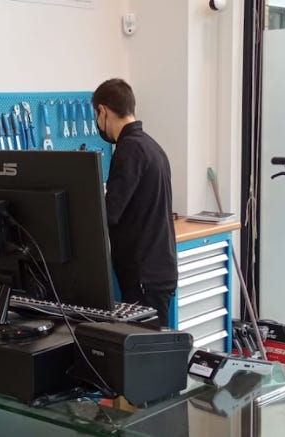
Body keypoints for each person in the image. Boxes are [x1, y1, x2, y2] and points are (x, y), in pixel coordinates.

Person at [92, 78, 178, 328]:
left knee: (143, 347)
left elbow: (110, 212)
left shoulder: (129, 150)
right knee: (152, 344)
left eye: (96, 115)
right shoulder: (150, 146)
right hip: (157, 270)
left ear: (103, 111)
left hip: (144, 275)